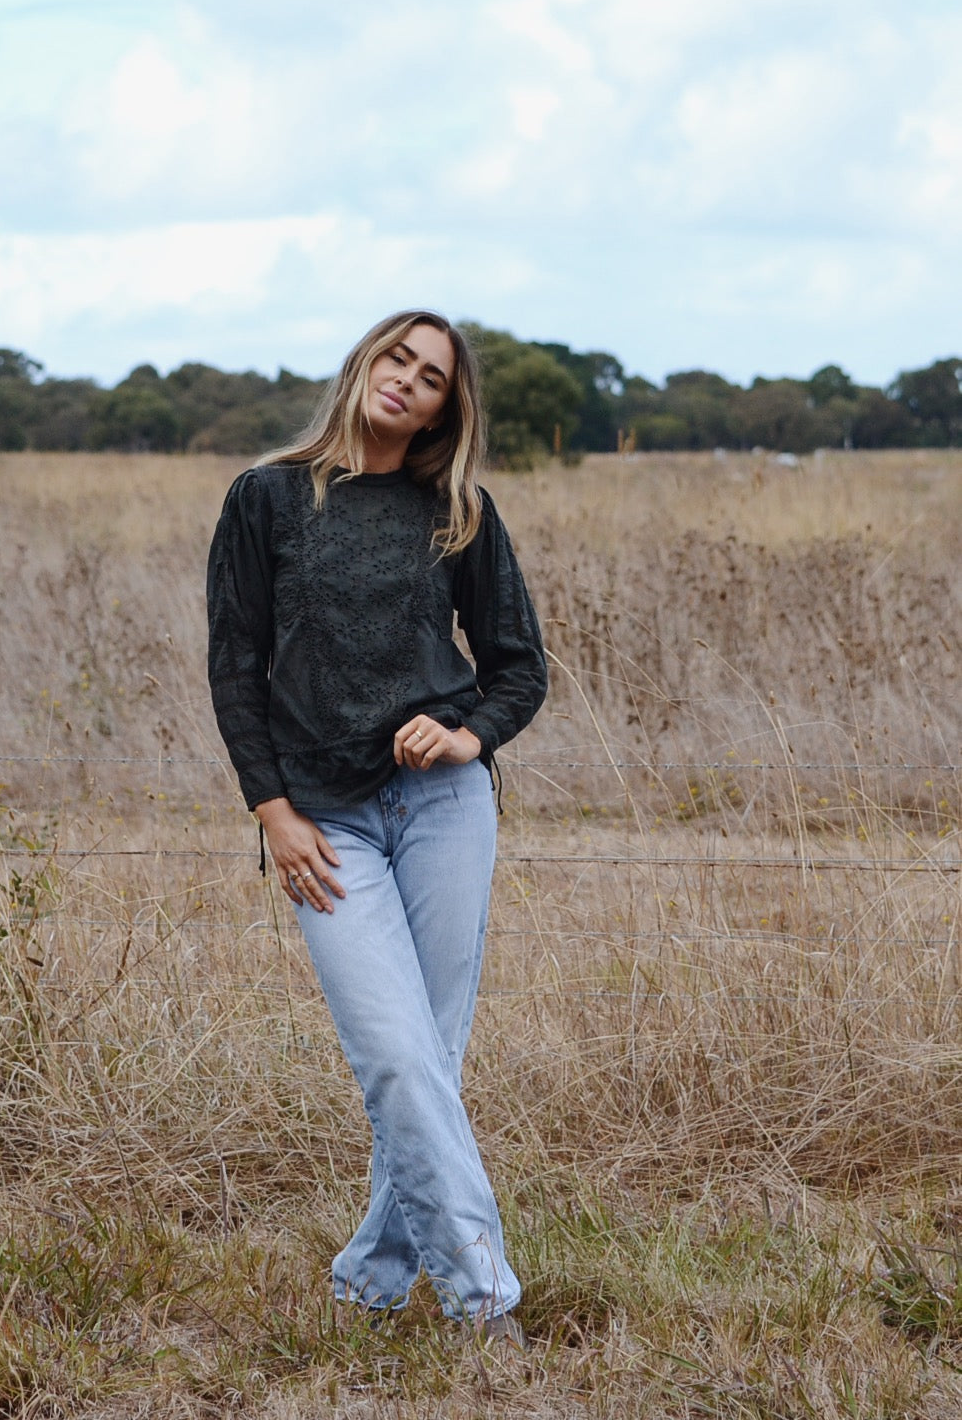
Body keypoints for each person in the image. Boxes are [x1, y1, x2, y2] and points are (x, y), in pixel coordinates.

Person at [206, 309, 547, 1338]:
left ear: (448, 407)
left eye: (432, 376)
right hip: (324, 821)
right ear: (364, 363)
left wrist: (466, 739)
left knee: (426, 1063)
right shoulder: (266, 498)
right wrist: (273, 813)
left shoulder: (457, 511)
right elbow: (234, 668)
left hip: (443, 811)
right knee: (397, 1056)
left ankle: (370, 1279)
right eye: (397, 357)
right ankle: (485, 1303)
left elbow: (517, 666)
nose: (406, 380)